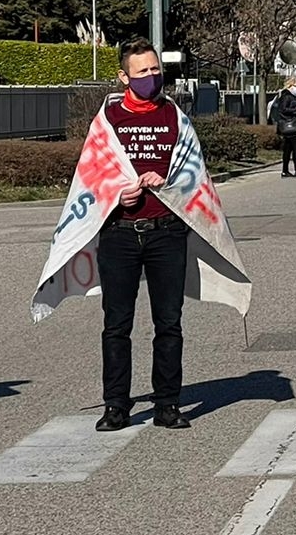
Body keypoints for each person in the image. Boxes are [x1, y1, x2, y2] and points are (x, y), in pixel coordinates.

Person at [96, 38, 193, 432]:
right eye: (143, 72)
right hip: (118, 234)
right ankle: (116, 406)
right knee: (117, 325)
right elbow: (90, 177)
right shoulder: (107, 119)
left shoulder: (175, 116)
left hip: (166, 232)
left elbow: (194, 173)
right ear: (124, 77)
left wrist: (167, 179)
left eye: (155, 70)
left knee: (168, 322)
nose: (152, 77)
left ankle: (167, 404)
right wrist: (116, 192)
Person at [273, 76, 296, 177]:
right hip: (291, 126)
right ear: (290, 86)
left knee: (287, 150)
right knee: (295, 149)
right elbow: (283, 110)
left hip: (289, 125)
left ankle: (285, 170)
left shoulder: (288, 96)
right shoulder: (287, 96)